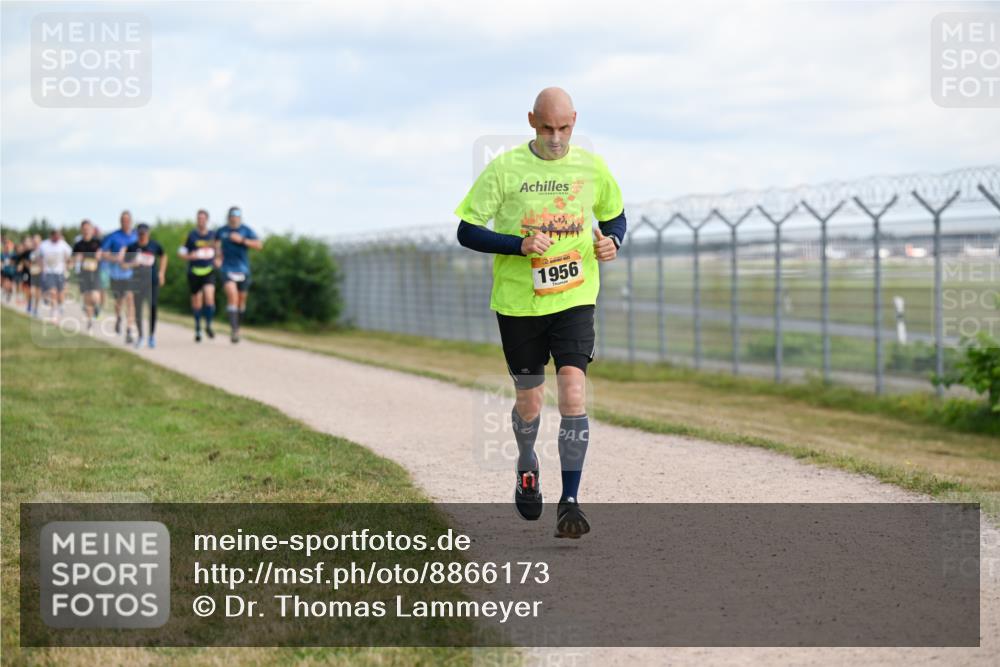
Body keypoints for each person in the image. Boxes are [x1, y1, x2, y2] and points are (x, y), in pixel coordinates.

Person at [455, 87, 626, 539]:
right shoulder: (505, 168)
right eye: (547, 127)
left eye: (564, 128)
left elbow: (615, 216)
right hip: (519, 304)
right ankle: (527, 463)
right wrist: (519, 245)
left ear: (575, 121)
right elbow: (467, 231)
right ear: (531, 121)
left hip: (575, 297)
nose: (555, 137)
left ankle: (570, 502)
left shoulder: (591, 167)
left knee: (573, 392)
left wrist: (613, 241)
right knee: (530, 401)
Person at [214, 206, 262, 343]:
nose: (234, 218)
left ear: (240, 217)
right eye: (232, 216)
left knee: (241, 302)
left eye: (237, 216)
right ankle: (234, 331)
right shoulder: (222, 231)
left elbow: (259, 245)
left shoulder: (246, 230)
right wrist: (217, 257)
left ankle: (237, 327)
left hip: (243, 269)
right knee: (232, 296)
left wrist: (242, 240)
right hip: (227, 269)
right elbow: (216, 245)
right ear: (228, 217)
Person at [123, 223, 166, 348]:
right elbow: (123, 264)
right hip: (137, 282)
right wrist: (133, 264)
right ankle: (141, 336)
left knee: (153, 307)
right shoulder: (132, 247)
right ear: (137, 234)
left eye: (144, 234)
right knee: (138, 309)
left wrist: (161, 273)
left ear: (148, 233)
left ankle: (151, 336)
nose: (142, 236)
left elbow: (163, 256)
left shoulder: (154, 245)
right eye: (140, 234)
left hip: (152, 281)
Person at [179, 209, 218, 342]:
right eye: (199, 218)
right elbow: (181, 253)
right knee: (197, 301)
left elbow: (219, 250)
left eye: (203, 218)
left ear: (207, 220)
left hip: (209, 271)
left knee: (209, 297)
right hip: (194, 272)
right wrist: (190, 256)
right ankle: (197, 328)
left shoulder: (213, 235)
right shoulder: (191, 235)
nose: (201, 221)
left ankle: (208, 325)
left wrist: (219, 259)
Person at [101, 211, 138, 343]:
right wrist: (116, 258)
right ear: (120, 221)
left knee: (130, 299)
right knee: (119, 301)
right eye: (123, 220)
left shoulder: (136, 236)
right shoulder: (113, 236)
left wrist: (134, 262)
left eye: (127, 220)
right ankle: (118, 318)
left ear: (131, 221)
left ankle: (129, 329)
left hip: (131, 274)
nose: (125, 222)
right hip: (116, 275)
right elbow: (103, 254)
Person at [72, 220, 103, 332]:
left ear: (91, 230)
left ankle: (97, 307)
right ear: (81, 230)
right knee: (87, 299)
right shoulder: (78, 244)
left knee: (94, 296)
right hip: (83, 274)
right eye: (84, 229)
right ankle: (90, 322)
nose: (86, 231)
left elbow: (104, 253)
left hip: (95, 273)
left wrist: (100, 255)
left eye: (88, 229)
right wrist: (76, 258)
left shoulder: (97, 242)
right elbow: (73, 258)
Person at [38, 229, 74, 322]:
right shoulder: (44, 245)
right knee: (52, 292)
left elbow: (69, 257)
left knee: (60, 294)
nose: (58, 237)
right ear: (52, 235)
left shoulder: (63, 245)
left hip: (60, 272)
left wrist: (69, 265)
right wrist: (41, 269)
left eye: (59, 235)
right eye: (56, 236)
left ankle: (60, 306)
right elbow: (40, 258)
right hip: (49, 272)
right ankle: (54, 313)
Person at [1, 237, 16, 303]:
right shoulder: (2, 254)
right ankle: (6, 293)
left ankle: (9, 294)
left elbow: (14, 262)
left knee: (9, 284)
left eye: (8, 245)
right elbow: (1, 262)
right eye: (6, 246)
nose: (7, 247)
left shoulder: (13, 254)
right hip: (4, 271)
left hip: (11, 271)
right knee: (5, 283)